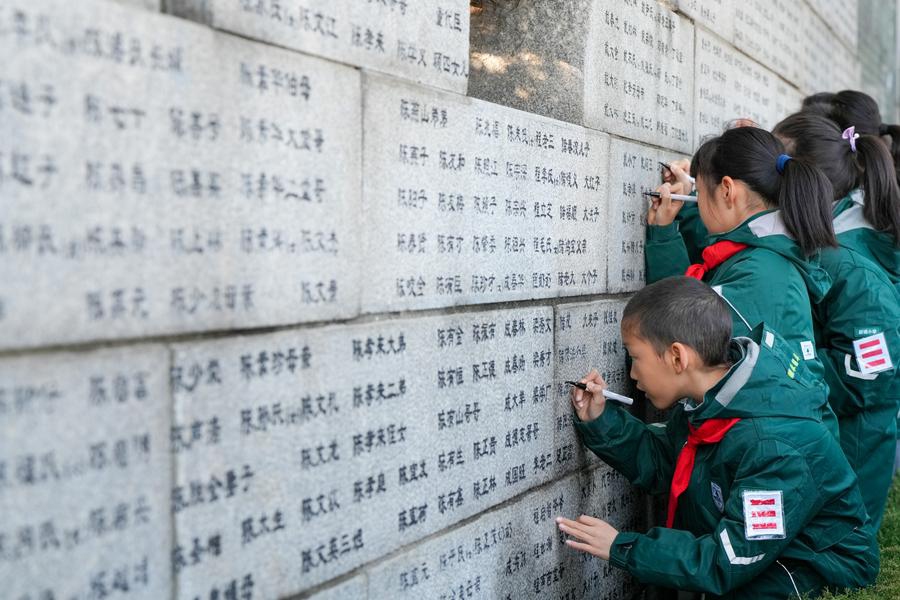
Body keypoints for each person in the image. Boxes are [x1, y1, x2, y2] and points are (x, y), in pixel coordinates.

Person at [557, 276, 878, 599]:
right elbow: (670, 461)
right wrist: (599, 419)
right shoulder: (711, 400)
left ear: (677, 358)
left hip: (813, 563)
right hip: (767, 547)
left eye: (636, 357)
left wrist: (622, 548)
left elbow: (730, 559)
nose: (632, 374)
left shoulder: (775, 447)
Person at [645, 126, 839, 435]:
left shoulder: (759, 272)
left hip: (770, 451)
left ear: (726, 190)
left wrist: (664, 235)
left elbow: (680, 327)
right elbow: (722, 240)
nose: (697, 199)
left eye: (701, 191)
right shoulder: (768, 252)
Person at [772, 112, 900, 520]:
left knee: (838, 548)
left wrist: (789, 369)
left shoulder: (852, 261)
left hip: (853, 443)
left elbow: (872, 371)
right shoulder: (827, 241)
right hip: (830, 429)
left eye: (776, 165)